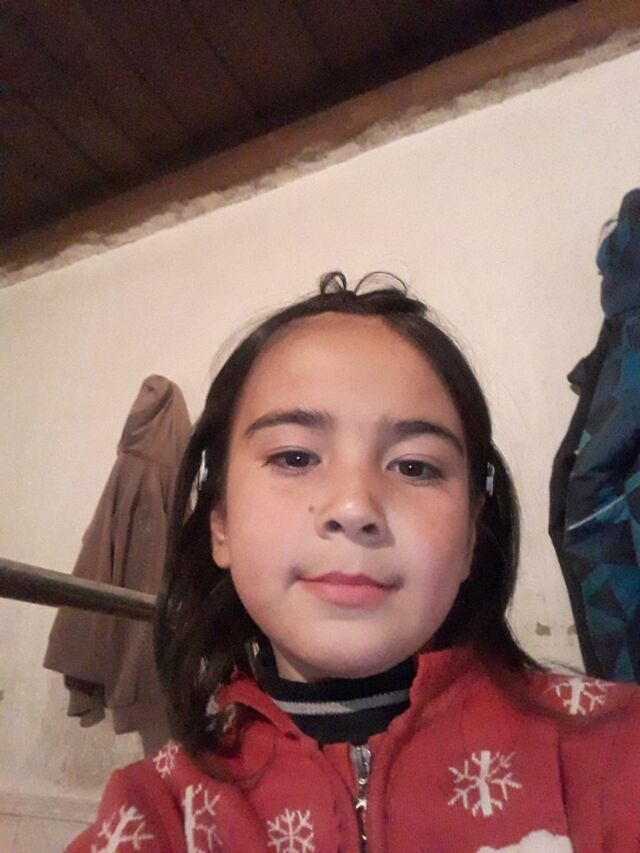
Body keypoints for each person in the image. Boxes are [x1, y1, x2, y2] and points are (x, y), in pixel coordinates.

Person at [69, 274, 640, 853]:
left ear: (471, 534)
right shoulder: (155, 814)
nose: (354, 508)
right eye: (295, 457)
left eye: (414, 466)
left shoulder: (615, 752)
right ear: (220, 523)